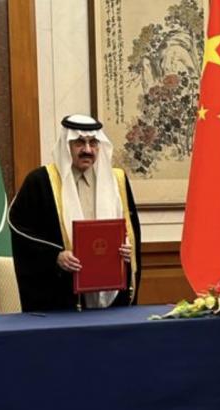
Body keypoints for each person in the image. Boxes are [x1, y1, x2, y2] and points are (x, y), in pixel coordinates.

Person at [8, 114, 141, 311]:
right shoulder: (41, 181)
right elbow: (20, 230)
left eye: (93, 143)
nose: (87, 150)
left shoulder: (117, 180)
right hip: (60, 296)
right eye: (79, 143)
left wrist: (127, 247)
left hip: (112, 296)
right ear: (66, 145)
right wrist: (55, 256)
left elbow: (131, 229)